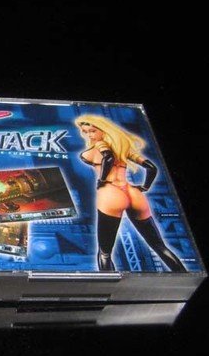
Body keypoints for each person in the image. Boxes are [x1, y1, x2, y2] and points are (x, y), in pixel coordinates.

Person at [76, 114, 186, 272]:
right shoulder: (123, 149)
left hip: (111, 193)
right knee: (159, 245)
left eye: (92, 131)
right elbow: (151, 168)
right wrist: (145, 187)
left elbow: (108, 158)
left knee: (105, 253)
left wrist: (102, 179)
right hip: (133, 193)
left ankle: (107, 285)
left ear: (104, 130)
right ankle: (182, 274)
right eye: (85, 131)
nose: (89, 135)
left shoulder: (100, 145)